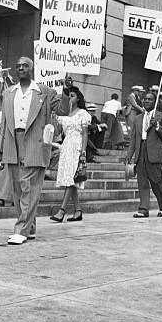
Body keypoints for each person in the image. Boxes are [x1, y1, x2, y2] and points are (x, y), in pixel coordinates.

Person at [0, 56, 59, 245]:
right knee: (17, 188)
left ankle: (21, 229)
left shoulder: (45, 92)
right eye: (18, 66)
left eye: (25, 66)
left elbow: (62, 110)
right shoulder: (8, 93)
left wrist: (67, 90)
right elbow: (5, 122)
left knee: (28, 186)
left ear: (32, 69)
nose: (21, 68)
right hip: (12, 141)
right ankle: (30, 228)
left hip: (35, 141)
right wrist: (0, 150)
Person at [126, 91, 162, 218]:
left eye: (150, 100)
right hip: (141, 151)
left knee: (156, 181)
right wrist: (129, 155)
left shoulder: (161, 116)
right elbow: (133, 139)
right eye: (145, 99)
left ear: (155, 102)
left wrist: (157, 126)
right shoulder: (138, 118)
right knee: (142, 182)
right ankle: (143, 209)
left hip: (154, 153)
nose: (147, 101)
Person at [50, 86, 91, 222]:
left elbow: (85, 133)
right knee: (69, 178)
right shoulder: (65, 116)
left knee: (71, 179)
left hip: (77, 146)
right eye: (69, 96)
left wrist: (83, 152)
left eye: (72, 96)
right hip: (66, 147)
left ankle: (61, 210)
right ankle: (77, 210)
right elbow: (57, 132)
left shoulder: (83, 114)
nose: (70, 99)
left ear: (78, 98)